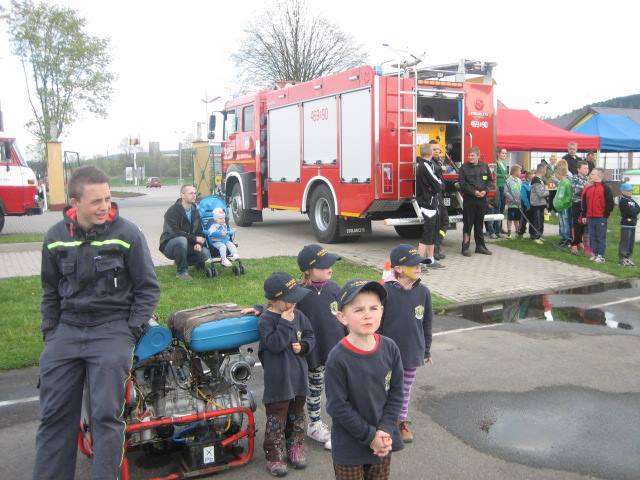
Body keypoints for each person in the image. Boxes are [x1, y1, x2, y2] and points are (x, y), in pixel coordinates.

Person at [34, 166, 160, 480]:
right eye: (96, 201)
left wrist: (131, 329)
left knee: (106, 416)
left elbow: (147, 288)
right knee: (54, 416)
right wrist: (51, 332)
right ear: (74, 203)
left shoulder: (127, 233)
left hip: (112, 328)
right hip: (67, 329)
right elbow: (50, 290)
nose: (105, 206)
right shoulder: (54, 238)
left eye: (107, 198)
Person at [325, 279, 404, 480]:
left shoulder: (390, 348)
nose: (368, 314)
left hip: (383, 439)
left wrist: (384, 430)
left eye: (373, 307)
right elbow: (337, 406)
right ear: (342, 317)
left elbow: (396, 394)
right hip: (350, 445)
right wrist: (370, 437)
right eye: (358, 310)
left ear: (382, 311)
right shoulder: (338, 358)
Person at [258, 272, 316, 476]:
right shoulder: (267, 320)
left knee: (297, 414)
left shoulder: (299, 315)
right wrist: (285, 322)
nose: (294, 302)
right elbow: (274, 345)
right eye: (289, 299)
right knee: (277, 417)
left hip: (298, 377)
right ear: (274, 300)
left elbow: (310, 335)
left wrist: (305, 346)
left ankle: (295, 447)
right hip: (279, 380)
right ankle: (274, 455)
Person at [379, 244, 433, 443]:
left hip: (412, 352)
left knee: (405, 389)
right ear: (399, 269)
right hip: (387, 354)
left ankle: (400, 421)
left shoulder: (424, 292)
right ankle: (384, 421)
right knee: (384, 387)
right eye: (414, 264)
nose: (419, 267)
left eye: (420, 264)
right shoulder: (384, 291)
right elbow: (377, 324)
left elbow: (427, 323)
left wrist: (426, 350)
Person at [295, 244, 343, 450]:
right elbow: (278, 305)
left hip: (337, 351)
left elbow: (347, 311)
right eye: (324, 266)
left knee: (338, 391)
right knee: (314, 389)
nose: (329, 269)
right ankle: (314, 424)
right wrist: (260, 309)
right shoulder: (299, 293)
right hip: (313, 352)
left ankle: (341, 430)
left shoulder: (334, 288)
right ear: (308, 270)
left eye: (330, 264)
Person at [160, 185, 212, 280]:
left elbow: (200, 231)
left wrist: (198, 243)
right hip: (170, 245)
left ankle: (194, 265)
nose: (194, 195)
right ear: (182, 195)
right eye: (191, 193)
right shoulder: (172, 211)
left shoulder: (195, 211)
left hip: (188, 244)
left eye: (195, 193)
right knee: (181, 240)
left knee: (205, 253)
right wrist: (194, 238)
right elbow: (174, 232)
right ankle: (182, 272)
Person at [459, 146, 492, 256]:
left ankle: (480, 246)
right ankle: (465, 248)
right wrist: (474, 192)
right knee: (468, 224)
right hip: (470, 200)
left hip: (482, 200)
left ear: (478, 155)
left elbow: (489, 181)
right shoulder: (464, 168)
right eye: (469, 155)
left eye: (472, 155)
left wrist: (485, 191)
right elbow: (462, 184)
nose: (470, 157)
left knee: (479, 224)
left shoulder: (485, 166)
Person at [415, 143, 444, 268]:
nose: (436, 151)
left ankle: (430, 259)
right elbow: (438, 184)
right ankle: (419, 262)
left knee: (432, 233)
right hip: (427, 203)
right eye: (434, 150)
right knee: (427, 234)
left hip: (432, 202)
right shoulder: (424, 165)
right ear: (430, 152)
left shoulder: (427, 164)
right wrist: (440, 185)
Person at [581, 169, 614, 263]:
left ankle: (601, 255)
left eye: (592, 174)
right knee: (592, 236)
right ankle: (595, 254)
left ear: (599, 176)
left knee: (600, 237)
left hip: (601, 217)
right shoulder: (589, 187)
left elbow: (610, 203)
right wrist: (584, 215)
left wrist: (605, 215)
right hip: (590, 217)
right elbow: (584, 202)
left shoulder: (605, 188)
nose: (590, 175)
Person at [430, 140, 449, 260]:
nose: (437, 151)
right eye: (434, 149)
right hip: (434, 198)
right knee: (437, 225)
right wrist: (440, 169)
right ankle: (434, 250)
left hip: (440, 197)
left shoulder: (438, 162)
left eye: (438, 149)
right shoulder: (431, 164)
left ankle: (437, 246)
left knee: (444, 222)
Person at [570, 161, 590, 254]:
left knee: (583, 223)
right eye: (584, 168)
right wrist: (587, 189)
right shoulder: (575, 178)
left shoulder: (588, 178)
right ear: (578, 169)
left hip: (585, 204)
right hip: (577, 203)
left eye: (587, 168)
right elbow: (577, 190)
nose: (587, 170)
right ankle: (574, 244)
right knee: (577, 223)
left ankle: (580, 241)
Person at [618, 182, 640, 266]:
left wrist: (633, 211)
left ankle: (628, 257)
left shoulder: (631, 200)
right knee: (625, 241)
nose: (630, 192)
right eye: (628, 190)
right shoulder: (623, 200)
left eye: (630, 190)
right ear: (623, 191)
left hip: (633, 224)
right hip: (626, 224)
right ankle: (622, 258)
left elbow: (638, 208)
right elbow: (628, 211)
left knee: (631, 242)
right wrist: (633, 212)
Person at [553, 166, 573, 246]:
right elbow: (558, 194)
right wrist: (555, 201)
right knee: (561, 223)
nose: (555, 175)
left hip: (565, 207)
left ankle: (567, 239)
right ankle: (562, 237)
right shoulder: (561, 182)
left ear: (559, 173)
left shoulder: (567, 183)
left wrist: (563, 203)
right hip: (559, 207)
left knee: (565, 223)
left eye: (556, 173)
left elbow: (569, 196)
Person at [529, 163, 549, 244]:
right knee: (537, 221)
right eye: (546, 169)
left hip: (540, 204)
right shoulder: (536, 180)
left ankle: (539, 235)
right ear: (543, 170)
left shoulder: (540, 179)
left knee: (540, 221)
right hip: (536, 204)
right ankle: (535, 237)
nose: (546, 171)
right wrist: (549, 191)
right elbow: (540, 194)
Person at [504, 164, 523, 238]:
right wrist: (512, 199)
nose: (520, 172)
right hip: (511, 204)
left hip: (518, 204)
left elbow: (521, 191)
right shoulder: (508, 181)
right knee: (510, 218)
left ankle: (517, 231)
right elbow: (506, 192)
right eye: (520, 171)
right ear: (515, 171)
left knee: (517, 219)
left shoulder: (519, 181)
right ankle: (509, 232)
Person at [494, 148, 509, 234]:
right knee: (498, 207)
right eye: (503, 153)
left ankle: (500, 227)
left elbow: (504, 174)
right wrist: (503, 176)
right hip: (498, 186)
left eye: (505, 153)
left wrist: (506, 176)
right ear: (498, 154)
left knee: (502, 207)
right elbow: (495, 174)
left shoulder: (504, 163)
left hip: (504, 186)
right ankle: (496, 228)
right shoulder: (496, 163)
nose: (504, 155)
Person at [517, 170, 534, 239]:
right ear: (528, 176)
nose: (533, 177)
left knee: (532, 221)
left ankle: (531, 234)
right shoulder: (524, 185)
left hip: (531, 206)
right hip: (525, 207)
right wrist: (528, 206)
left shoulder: (532, 184)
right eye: (532, 175)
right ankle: (520, 233)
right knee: (523, 221)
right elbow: (524, 197)